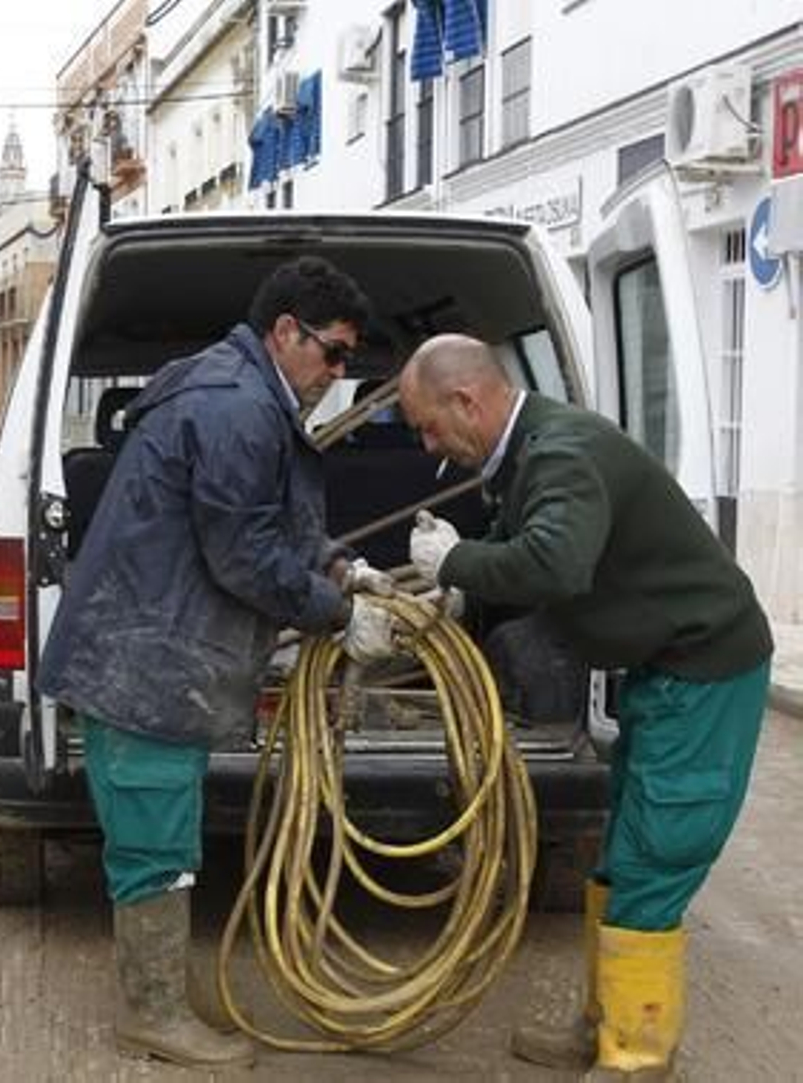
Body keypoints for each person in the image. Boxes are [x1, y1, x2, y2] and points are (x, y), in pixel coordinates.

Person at [38, 256, 395, 1068]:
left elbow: (274, 521)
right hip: (145, 663)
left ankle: (159, 992)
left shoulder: (243, 392)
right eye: (331, 353)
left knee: (162, 830)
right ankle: (153, 1013)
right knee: (154, 838)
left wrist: (344, 568)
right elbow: (243, 552)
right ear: (285, 332)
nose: (338, 375)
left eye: (348, 361)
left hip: (153, 653)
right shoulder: (237, 406)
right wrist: (339, 614)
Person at [398, 334, 772, 1080]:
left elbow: (556, 563)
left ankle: (636, 1057)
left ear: (467, 400)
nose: (429, 446)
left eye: (429, 426)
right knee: (619, 855)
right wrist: (454, 590)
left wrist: (459, 561)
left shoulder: (562, 453)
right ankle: (602, 1026)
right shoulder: (530, 453)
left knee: (655, 856)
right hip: (662, 667)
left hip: (703, 669)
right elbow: (523, 543)